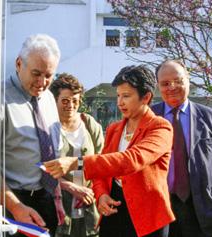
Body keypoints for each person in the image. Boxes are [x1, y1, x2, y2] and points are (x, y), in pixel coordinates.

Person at [45, 65, 175, 237]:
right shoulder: (114, 129)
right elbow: (102, 170)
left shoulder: (160, 128)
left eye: (126, 96)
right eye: (118, 95)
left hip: (147, 218)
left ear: (146, 97)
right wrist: (101, 194)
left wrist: (77, 162)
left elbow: (131, 160)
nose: (120, 102)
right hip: (113, 211)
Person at [152, 59, 212, 237]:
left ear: (188, 79)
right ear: (158, 86)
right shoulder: (149, 118)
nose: (172, 87)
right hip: (161, 208)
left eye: (178, 80)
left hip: (203, 208)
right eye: (165, 83)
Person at [1, 34, 61, 236]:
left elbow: (53, 152)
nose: (42, 82)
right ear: (19, 64)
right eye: (36, 73)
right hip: (12, 204)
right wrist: (15, 206)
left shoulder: (49, 98)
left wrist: (57, 198)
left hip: (46, 200)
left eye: (49, 75)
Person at [49, 73, 102, 237]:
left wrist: (92, 191)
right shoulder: (48, 128)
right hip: (59, 206)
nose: (70, 105)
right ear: (55, 100)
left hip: (89, 205)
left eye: (75, 100)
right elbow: (40, 168)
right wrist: (70, 187)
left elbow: (103, 162)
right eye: (65, 100)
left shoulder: (89, 123)